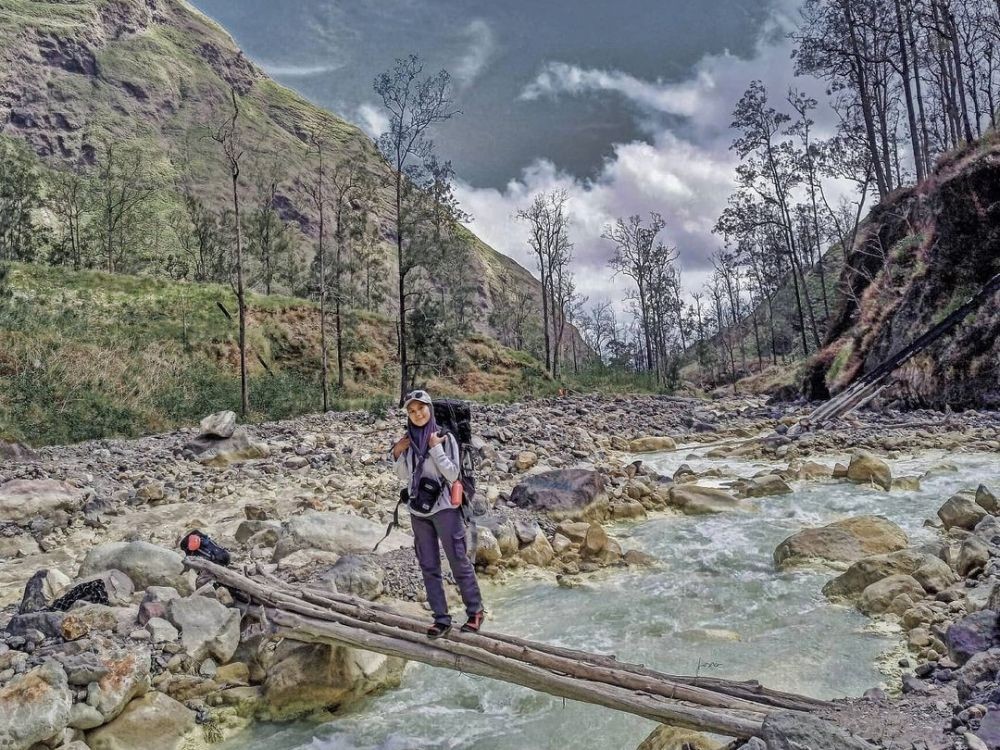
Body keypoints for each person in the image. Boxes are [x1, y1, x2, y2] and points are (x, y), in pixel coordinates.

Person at [391, 389, 485, 638]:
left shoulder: (445, 437)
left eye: (421, 408)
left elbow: (453, 474)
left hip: (445, 509)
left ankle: (475, 612)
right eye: (412, 411)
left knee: (458, 560)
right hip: (418, 510)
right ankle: (441, 619)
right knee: (428, 565)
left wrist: (435, 449)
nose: (417, 414)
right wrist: (397, 451)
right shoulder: (409, 440)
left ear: (429, 408)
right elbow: (403, 475)